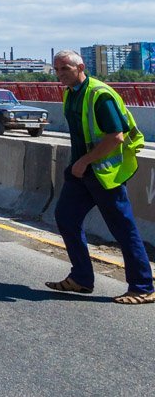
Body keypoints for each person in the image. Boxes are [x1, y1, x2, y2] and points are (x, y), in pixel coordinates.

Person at [44, 50, 153, 304]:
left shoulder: (99, 95)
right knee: (66, 217)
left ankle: (143, 287)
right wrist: (78, 165)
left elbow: (116, 137)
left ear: (80, 67)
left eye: (65, 69)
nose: (60, 75)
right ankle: (81, 278)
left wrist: (84, 162)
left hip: (104, 173)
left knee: (123, 228)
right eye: (57, 69)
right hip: (81, 172)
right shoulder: (70, 93)